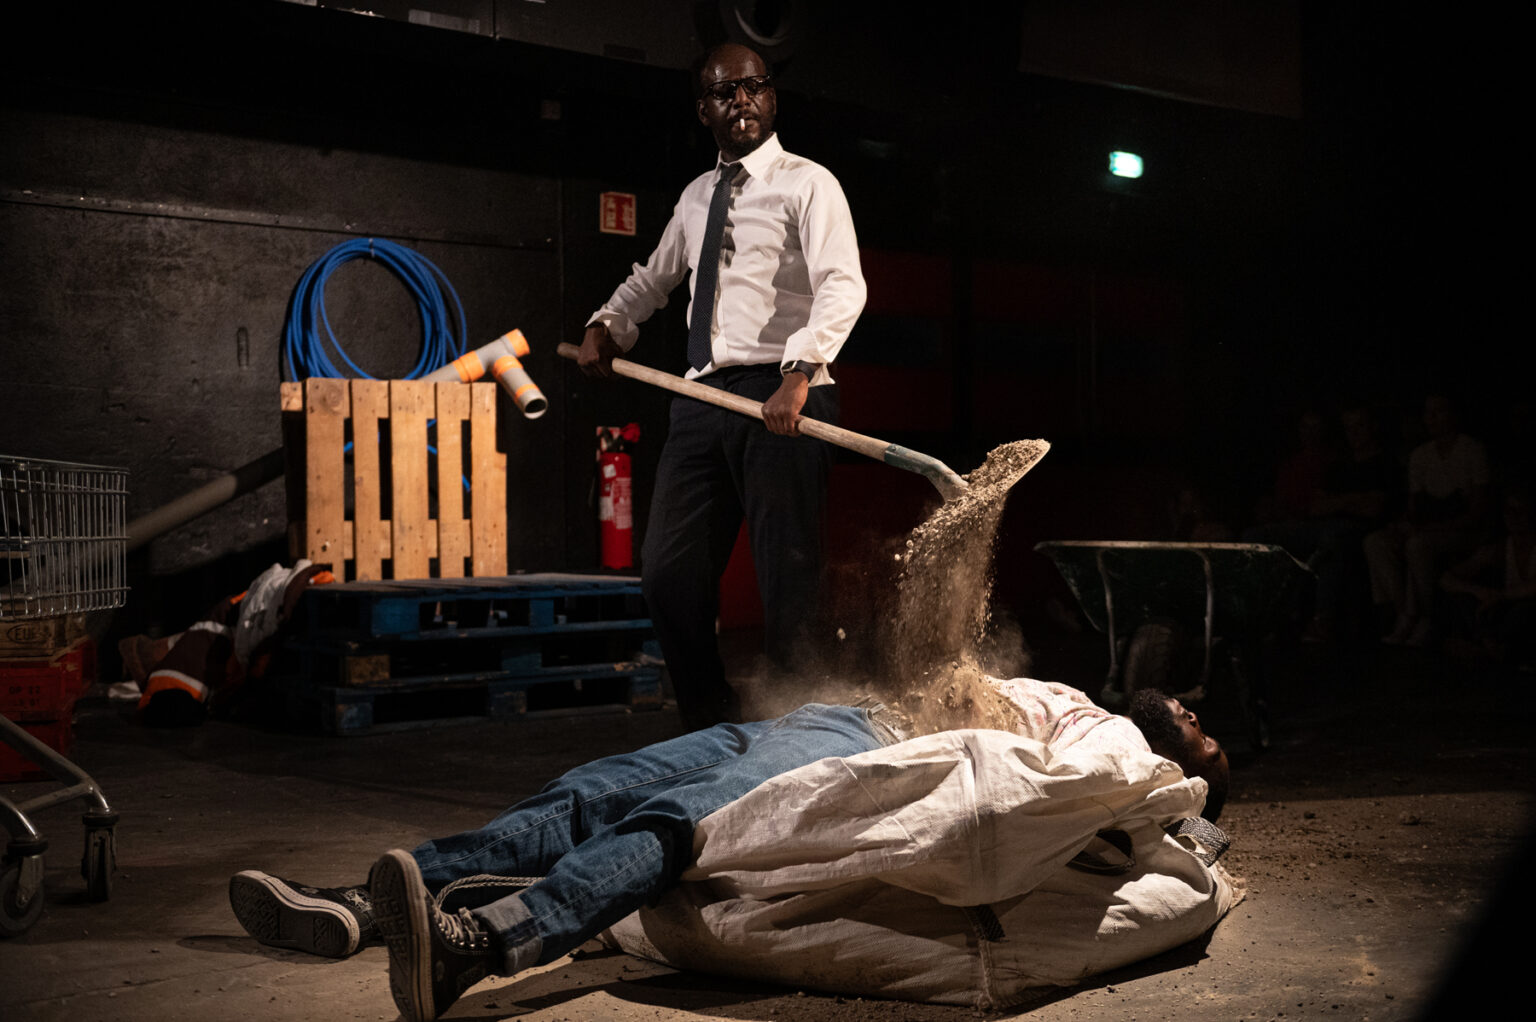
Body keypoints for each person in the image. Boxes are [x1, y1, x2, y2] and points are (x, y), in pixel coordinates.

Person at [227, 680, 1228, 1021]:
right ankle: (363, 905)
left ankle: (485, 943)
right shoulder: (1074, 689)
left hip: (858, 739)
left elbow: (1103, 800)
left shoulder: (1115, 742)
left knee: (682, 819)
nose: (1192, 711)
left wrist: (1192, 813)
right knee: (587, 791)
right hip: (817, 712)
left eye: (1206, 735)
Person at [576, 43, 866, 730]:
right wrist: (608, 324)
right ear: (702, 109)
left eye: (753, 86)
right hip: (703, 398)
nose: (741, 100)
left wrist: (800, 372)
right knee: (668, 575)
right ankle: (710, 720)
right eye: (723, 91)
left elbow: (842, 284)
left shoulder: (808, 183)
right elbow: (654, 279)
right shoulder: (696, 196)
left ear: (772, 97)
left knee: (788, 579)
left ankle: (799, 732)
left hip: (782, 393)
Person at [1363, 393, 1490, 646]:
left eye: (1438, 411)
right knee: (1376, 542)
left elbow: (1477, 513)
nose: (1430, 418)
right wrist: (1402, 525)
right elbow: (1415, 507)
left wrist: (1430, 528)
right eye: (1427, 413)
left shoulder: (1472, 451)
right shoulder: (1420, 455)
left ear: (1454, 415)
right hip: (1429, 527)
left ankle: (1427, 617)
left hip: (1463, 531)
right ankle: (1404, 612)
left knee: (1418, 545)